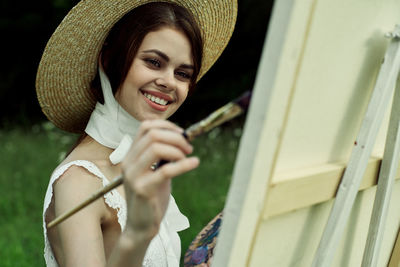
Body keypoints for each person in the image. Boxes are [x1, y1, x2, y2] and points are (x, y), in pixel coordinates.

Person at [36, 1, 237, 267]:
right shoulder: (79, 182)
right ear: (109, 60)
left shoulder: (143, 166)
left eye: (182, 73)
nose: (168, 82)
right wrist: (137, 235)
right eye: (154, 62)